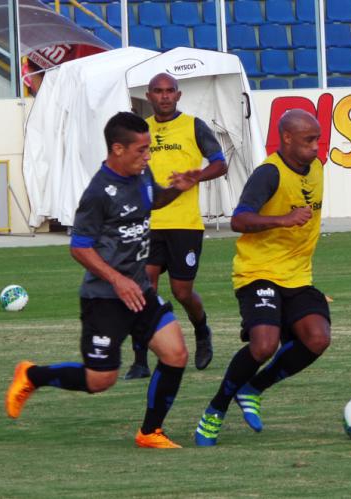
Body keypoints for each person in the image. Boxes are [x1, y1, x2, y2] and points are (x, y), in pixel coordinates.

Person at [5, 112, 200, 449]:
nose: (148, 156)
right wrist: (117, 280)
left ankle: (150, 432)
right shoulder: (98, 192)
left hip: (139, 291)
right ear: (118, 149)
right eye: (141, 150)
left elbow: (153, 201)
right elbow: (79, 248)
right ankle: (31, 374)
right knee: (100, 381)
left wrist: (176, 190)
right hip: (104, 298)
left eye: (149, 149)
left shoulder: (141, 174)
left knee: (176, 354)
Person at [194, 109, 331, 446]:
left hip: (297, 276)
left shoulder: (316, 168)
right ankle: (215, 411)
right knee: (264, 345)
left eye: (317, 139)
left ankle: (253, 389)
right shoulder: (268, 173)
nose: (316, 147)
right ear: (286, 138)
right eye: (308, 140)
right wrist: (283, 220)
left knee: (317, 338)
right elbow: (238, 220)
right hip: (258, 272)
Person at [124, 72, 228, 380]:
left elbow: (220, 163)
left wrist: (196, 176)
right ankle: (140, 359)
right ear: (150, 96)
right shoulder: (140, 131)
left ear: (178, 95)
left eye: (170, 91)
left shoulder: (194, 126)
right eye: (158, 91)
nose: (165, 96)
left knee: (182, 292)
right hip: (148, 224)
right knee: (144, 290)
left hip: (185, 224)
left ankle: (201, 330)